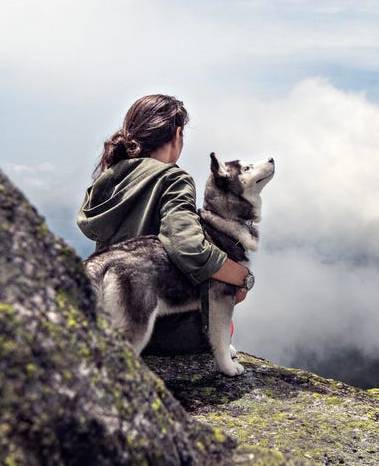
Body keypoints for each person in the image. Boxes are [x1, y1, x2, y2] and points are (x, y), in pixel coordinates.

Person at [76, 94, 251, 354]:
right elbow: (187, 245)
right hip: (161, 332)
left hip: (111, 322)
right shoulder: (173, 179)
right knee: (224, 325)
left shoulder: (109, 178)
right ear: (177, 134)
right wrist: (241, 276)